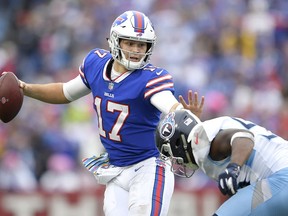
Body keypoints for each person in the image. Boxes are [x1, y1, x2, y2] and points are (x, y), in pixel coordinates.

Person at [7, 10, 204, 216]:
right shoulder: (96, 63)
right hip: (116, 171)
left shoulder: (151, 78)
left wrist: (182, 114)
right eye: (130, 43)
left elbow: (168, 104)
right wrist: (24, 88)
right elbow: (65, 92)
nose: (136, 50)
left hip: (149, 167)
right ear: (115, 41)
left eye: (141, 44)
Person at [155, 109, 288, 216]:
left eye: (172, 153)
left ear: (180, 143)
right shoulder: (204, 138)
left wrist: (233, 168)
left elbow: (244, 138)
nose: (179, 162)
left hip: (282, 177)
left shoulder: (206, 140)